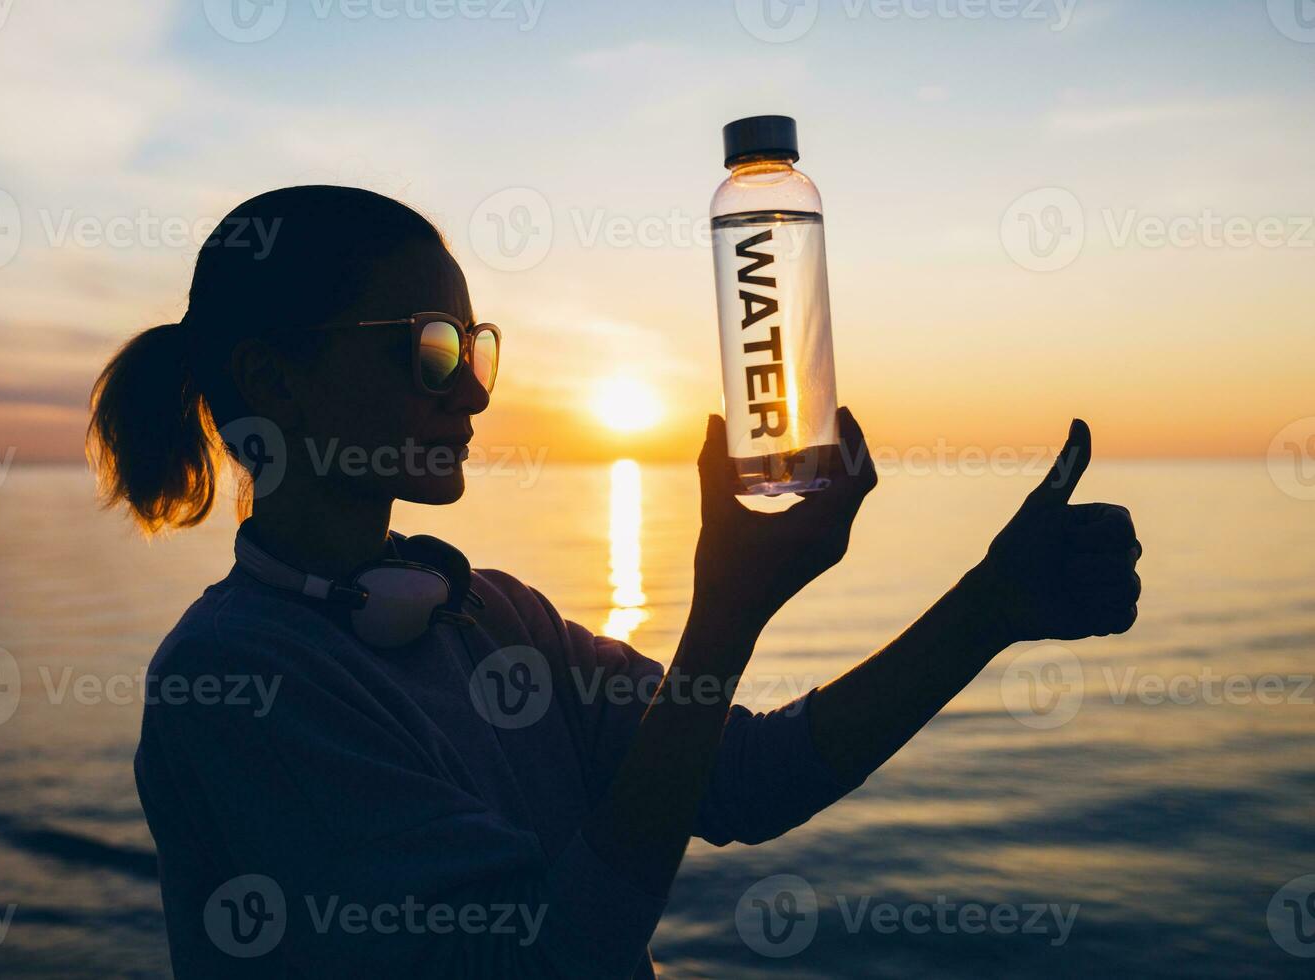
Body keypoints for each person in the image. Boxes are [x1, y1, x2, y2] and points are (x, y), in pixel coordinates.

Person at [87, 185, 1142, 978]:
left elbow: (745, 775)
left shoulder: (491, 614)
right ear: (278, 380)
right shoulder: (234, 681)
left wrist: (989, 606)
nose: (473, 394)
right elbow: (550, 958)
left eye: (476, 351)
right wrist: (724, 614)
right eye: (429, 350)